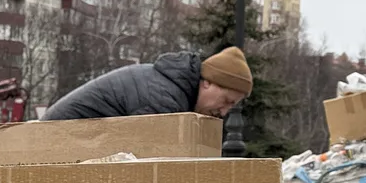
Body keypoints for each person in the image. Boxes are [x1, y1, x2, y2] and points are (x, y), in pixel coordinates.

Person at [42, 46, 253, 122]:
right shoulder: (163, 100)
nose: (224, 112)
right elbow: (147, 162)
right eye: (226, 101)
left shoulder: (168, 88)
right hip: (55, 143)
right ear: (208, 82)